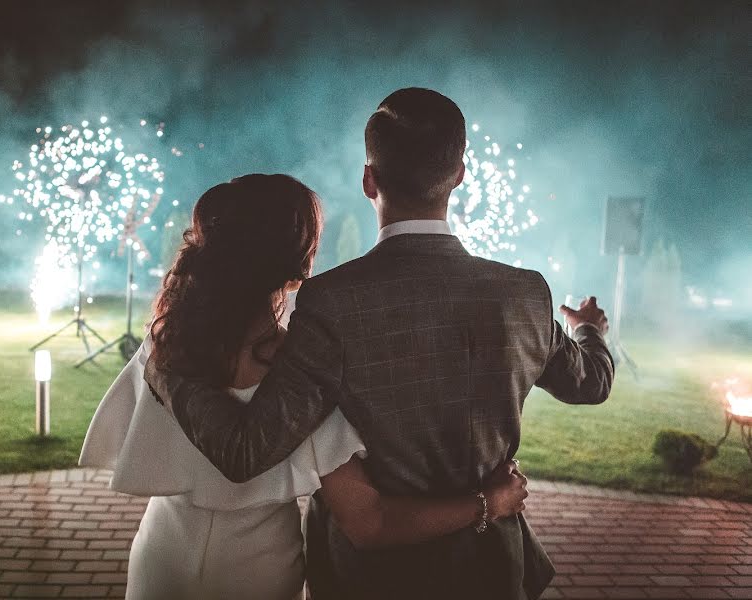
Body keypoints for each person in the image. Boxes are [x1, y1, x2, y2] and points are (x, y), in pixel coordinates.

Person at [147, 88, 615, 600]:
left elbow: (247, 451)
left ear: (369, 179)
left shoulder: (329, 302)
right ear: (459, 175)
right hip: (490, 570)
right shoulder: (525, 293)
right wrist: (587, 329)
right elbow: (591, 383)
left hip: (369, 579)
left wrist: (165, 363)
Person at [80, 173, 531, 600]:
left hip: (163, 554)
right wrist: (488, 502)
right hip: (257, 568)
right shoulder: (305, 371)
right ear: (300, 257)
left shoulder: (164, 347)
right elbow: (368, 522)